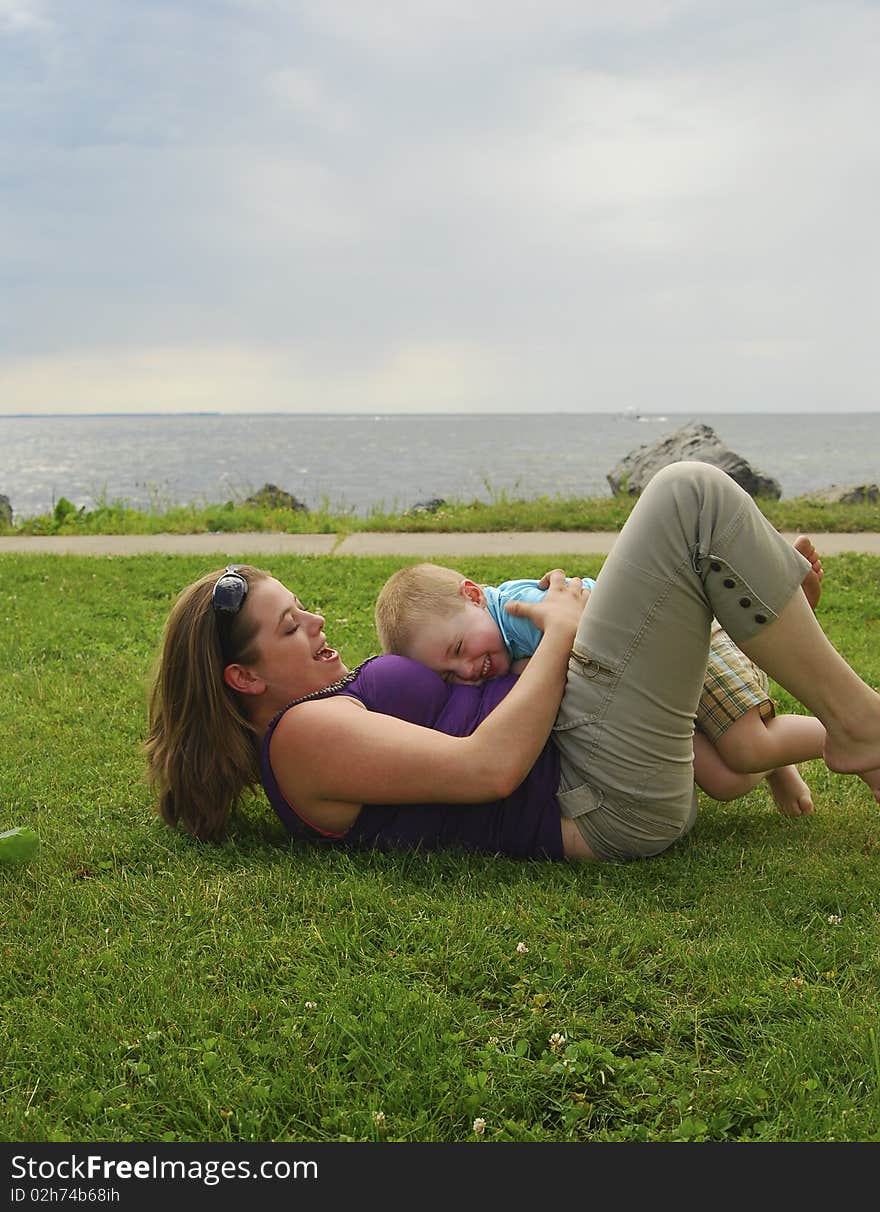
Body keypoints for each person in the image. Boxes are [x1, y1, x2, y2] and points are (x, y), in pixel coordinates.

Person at [145, 461, 880, 863]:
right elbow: (485, 770)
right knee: (688, 496)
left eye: (302, 607)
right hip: (596, 795)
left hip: (594, 748)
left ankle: (772, 619)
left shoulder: (324, 713)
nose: (317, 621)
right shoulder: (300, 741)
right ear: (243, 677)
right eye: (289, 625)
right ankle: (858, 724)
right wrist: (559, 630)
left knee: (691, 529)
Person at [373, 546, 827, 817]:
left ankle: (851, 733)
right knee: (725, 780)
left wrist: (527, 667)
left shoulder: (521, 610)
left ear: (473, 595)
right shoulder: (497, 641)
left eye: (458, 651)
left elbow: (591, 630)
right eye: (450, 674)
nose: (468, 671)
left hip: (687, 646)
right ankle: (780, 765)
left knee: (748, 748)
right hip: (654, 686)